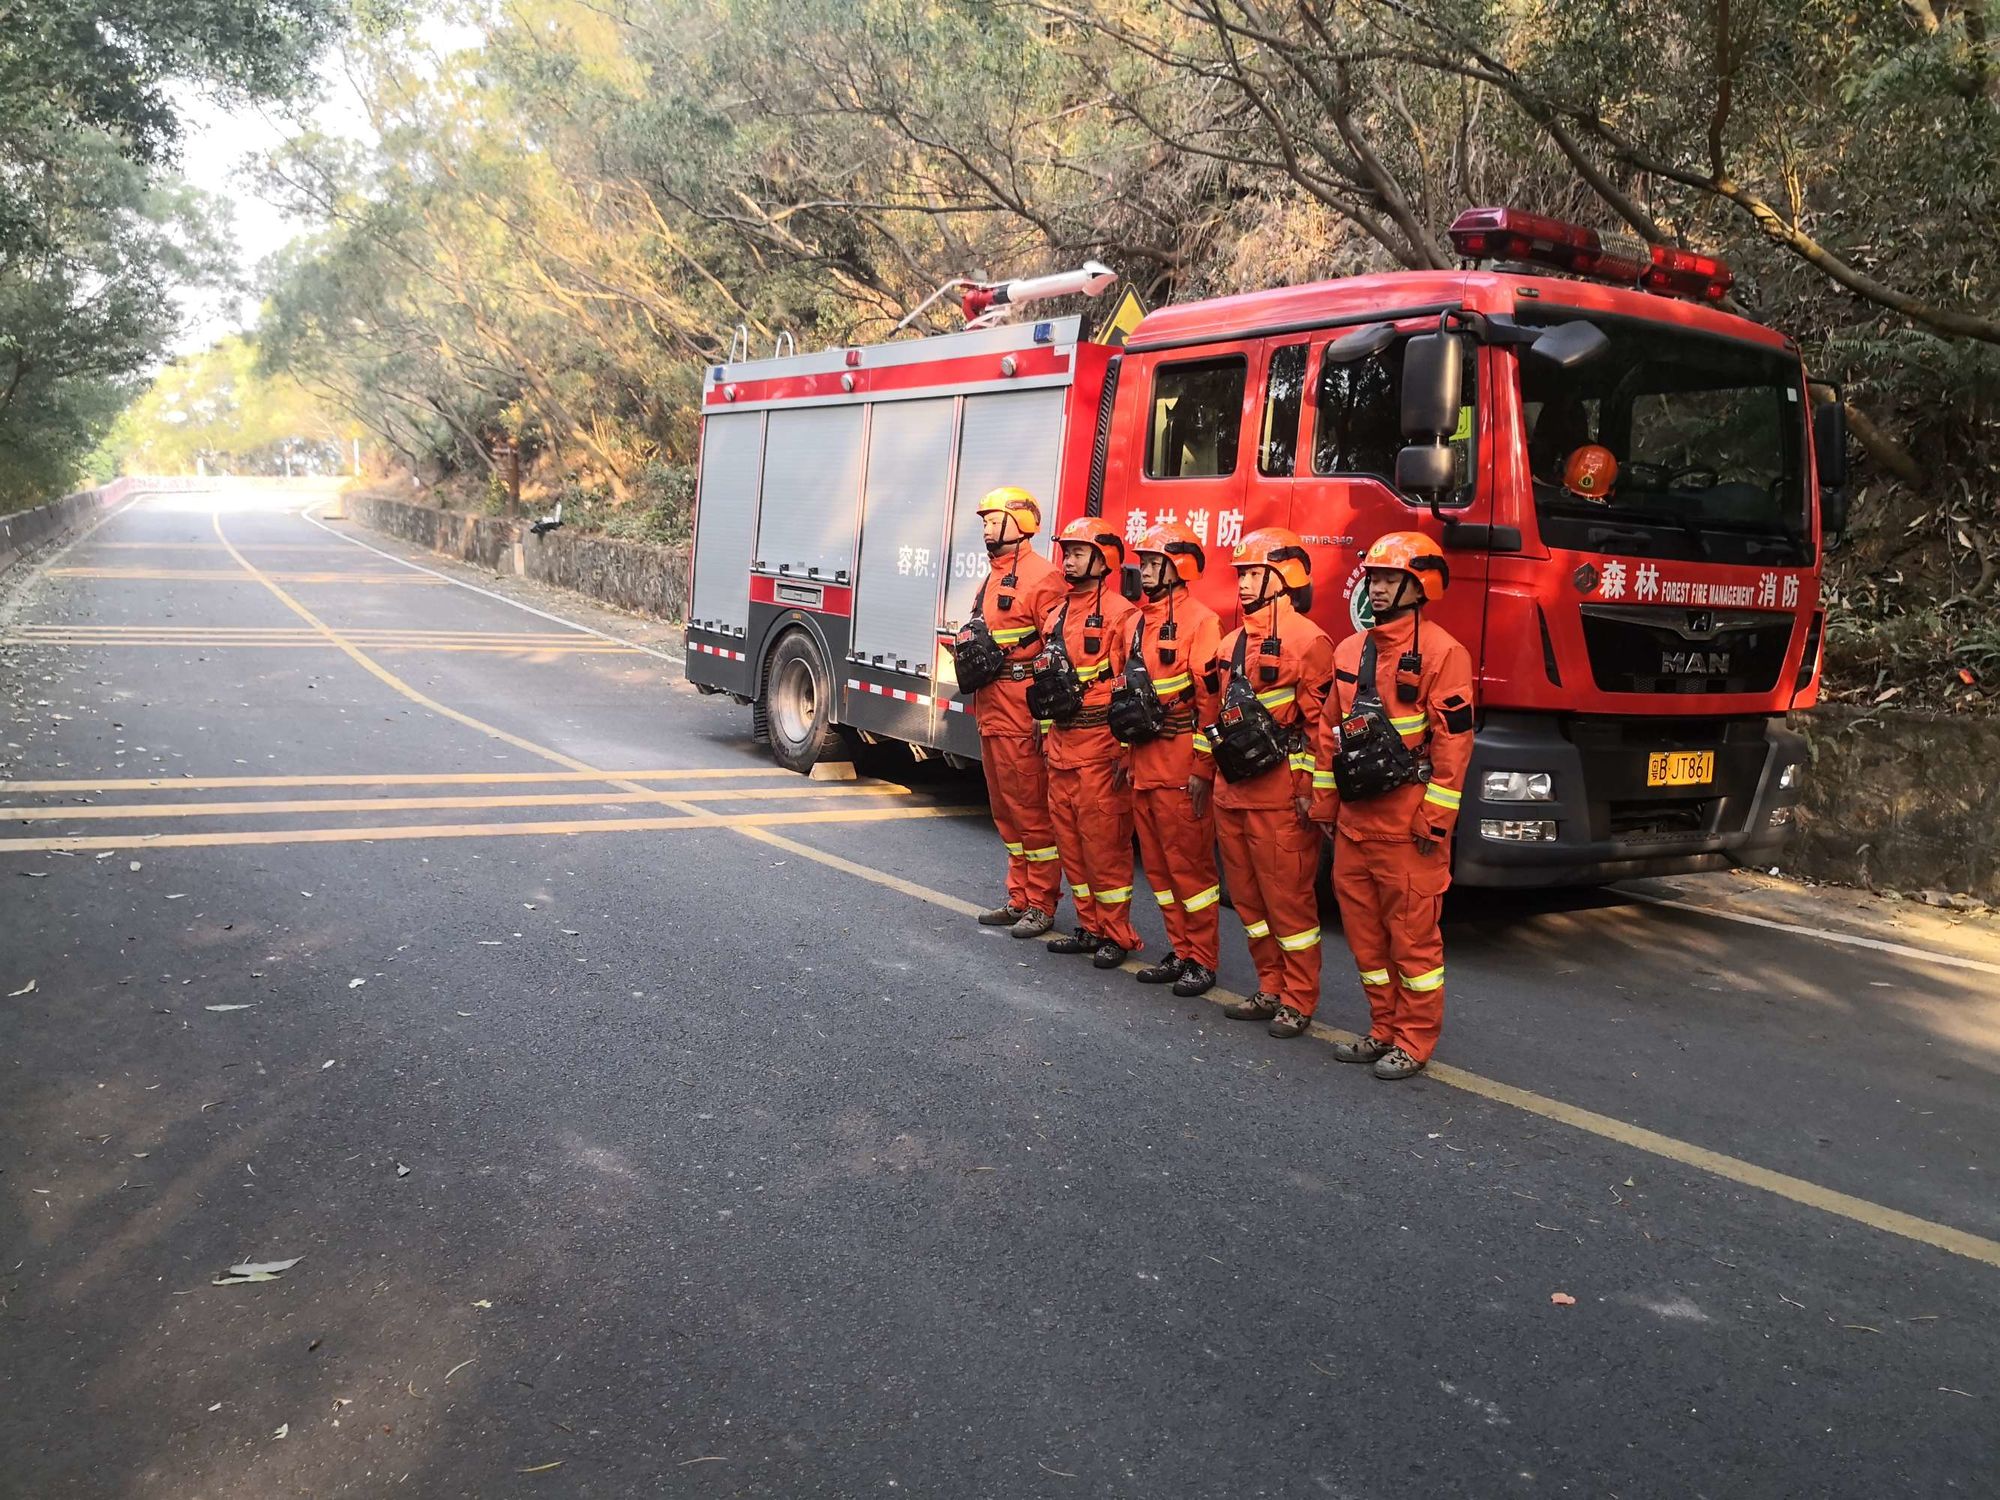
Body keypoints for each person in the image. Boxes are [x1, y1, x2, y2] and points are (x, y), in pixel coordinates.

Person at [1310, 531, 1475, 1080]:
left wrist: (1437, 818)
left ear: (1419, 584)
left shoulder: (1444, 653)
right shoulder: (1349, 650)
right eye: (1374, 579)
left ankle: (1415, 1039)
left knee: (1412, 943)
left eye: (1388, 580)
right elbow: (1328, 733)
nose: (1376, 589)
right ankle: (1382, 1028)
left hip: (1408, 828)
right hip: (1357, 825)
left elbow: (1453, 744)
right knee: (1365, 939)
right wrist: (1325, 808)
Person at [1191, 527, 1334, 1038]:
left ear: (1284, 578)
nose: (1244, 584)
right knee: (1250, 904)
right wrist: (1203, 773)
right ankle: (1270, 987)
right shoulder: (1231, 643)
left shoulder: (1310, 641)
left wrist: (1308, 794)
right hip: (1233, 793)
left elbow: (1320, 729)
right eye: (1243, 574)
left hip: (1279, 799)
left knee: (1288, 902)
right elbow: (1215, 715)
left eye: (1254, 573)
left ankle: (1298, 999)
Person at [958, 486, 1066, 939]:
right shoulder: (992, 577)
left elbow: (1056, 654)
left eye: (993, 519)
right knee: (1005, 811)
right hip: (992, 707)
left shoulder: (1044, 578)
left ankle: (1041, 904)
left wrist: (1044, 719)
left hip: (1020, 710)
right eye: (984, 520)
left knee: (1031, 812)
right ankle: (1019, 897)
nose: (985, 527)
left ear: (1020, 524)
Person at [1036, 518, 1143, 968]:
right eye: (1067, 551)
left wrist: (1124, 750)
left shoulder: (1122, 614)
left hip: (1100, 746)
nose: (1069, 558)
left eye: (1079, 552)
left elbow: (1129, 688)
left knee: (1104, 846)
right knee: (1071, 843)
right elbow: (1045, 683)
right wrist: (1046, 739)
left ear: (1104, 560)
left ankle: (1115, 935)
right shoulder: (1055, 614)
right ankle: (1088, 925)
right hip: (1061, 743)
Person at [1123, 523, 1224, 997]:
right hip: (1144, 764)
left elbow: (1210, 704)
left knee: (1191, 871)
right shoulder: (1138, 621)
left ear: (1177, 567)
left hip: (1180, 764)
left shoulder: (1203, 621)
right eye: (1142, 563)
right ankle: (1180, 949)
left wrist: (1203, 770)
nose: (1143, 571)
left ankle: (1202, 960)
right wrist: (1127, 755)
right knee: (1161, 872)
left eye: (1152, 563)